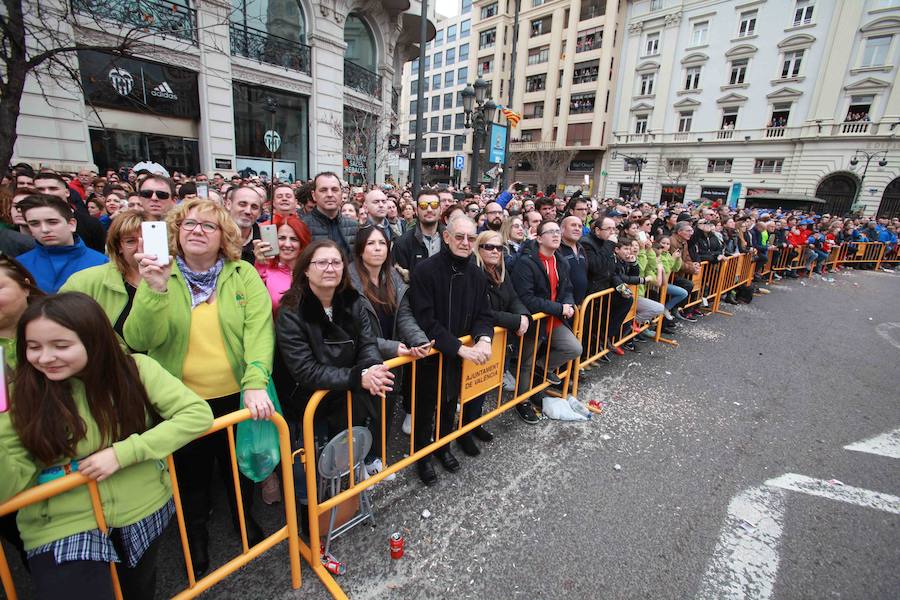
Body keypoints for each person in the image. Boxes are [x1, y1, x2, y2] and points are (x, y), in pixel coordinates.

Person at [0, 292, 213, 600]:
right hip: (61, 523)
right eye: (34, 347)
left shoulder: (136, 369)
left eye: (61, 346)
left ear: (94, 339)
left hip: (142, 505)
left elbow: (197, 414)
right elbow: (8, 486)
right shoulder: (19, 395)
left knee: (138, 589)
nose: (45, 358)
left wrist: (124, 453)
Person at [125, 198, 275, 577]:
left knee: (237, 467)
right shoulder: (161, 273)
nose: (197, 231)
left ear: (224, 236)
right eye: (189, 224)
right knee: (191, 476)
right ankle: (195, 537)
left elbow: (259, 333)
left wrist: (255, 382)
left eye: (208, 226)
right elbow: (139, 338)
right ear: (176, 232)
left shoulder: (243, 274)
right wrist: (154, 290)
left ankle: (244, 519)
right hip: (181, 402)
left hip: (236, 397)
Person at [274, 240, 393, 504]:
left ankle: (343, 503)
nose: (330, 268)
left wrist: (372, 367)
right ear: (306, 269)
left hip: (344, 398)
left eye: (336, 262)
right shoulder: (291, 310)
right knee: (308, 474)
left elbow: (367, 343)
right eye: (321, 262)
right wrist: (358, 377)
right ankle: (309, 517)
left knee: (342, 459)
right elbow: (305, 370)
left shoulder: (353, 301)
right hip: (306, 404)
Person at [409, 215, 494, 486]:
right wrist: (459, 348)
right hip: (431, 355)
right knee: (425, 408)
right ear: (446, 237)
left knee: (449, 404)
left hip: (458, 356)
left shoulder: (477, 274)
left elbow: (484, 314)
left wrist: (484, 339)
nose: (465, 242)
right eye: (459, 237)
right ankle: (422, 456)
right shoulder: (425, 270)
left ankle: (443, 447)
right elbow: (425, 319)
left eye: (471, 238)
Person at [348, 226, 431, 476]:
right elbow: (353, 332)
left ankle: (375, 456)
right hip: (361, 360)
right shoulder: (347, 281)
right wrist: (391, 347)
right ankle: (355, 463)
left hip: (392, 360)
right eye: (371, 244)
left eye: (382, 243)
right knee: (359, 414)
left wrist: (418, 340)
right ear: (360, 249)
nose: (377, 249)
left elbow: (404, 315)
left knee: (384, 411)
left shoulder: (392, 277)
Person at [510, 219, 582, 422]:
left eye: (557, 231)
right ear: (539, 238)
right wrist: (559, 308)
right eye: (550, 232)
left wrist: (567, 303)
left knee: (573, 348)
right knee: (526, 363)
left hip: (554, 319)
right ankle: (522, 401)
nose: (556, 234)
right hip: (535, 321)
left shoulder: (561, 261)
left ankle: (540, 371)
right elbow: (527, 298)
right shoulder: (526, 262)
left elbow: (567, 289)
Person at [469, 231, 529, 448]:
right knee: (471, 388)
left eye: (499, 248)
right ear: (478, 248)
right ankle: (463, 431)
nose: (495, 251)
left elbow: (513, 298)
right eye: (489, 247)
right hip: (476, 339)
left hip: (499, 338)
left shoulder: (499, 271)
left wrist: (523, 316)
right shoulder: (473, 272)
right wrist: (515, 320)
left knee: (485, 385)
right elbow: (482, 311)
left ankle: (474, 423)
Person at [60, 210, 144, 345]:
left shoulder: (176, 279)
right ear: (118, 246)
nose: (141, 247)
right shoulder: (83, 282)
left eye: (149, 239)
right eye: (130, 241)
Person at [17, 194, 108, 293]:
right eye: (34, 224)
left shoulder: (101, 263)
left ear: (72, 224)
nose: (44, 229)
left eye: (52, 222)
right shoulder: (20, 265)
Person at [33, 173, 106, 252]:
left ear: (67, 192)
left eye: (53, 188)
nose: (47, 193)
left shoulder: (91, 223)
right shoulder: (28, 223)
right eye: (40, 189)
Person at [303, 172, 358, 257]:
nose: (330, 194)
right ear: (314, 195)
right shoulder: (302, 226)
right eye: (323, 190)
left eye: (334, 190)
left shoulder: (354, 226)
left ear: (341, 193)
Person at [226, 186, 264, 264]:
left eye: (254, 207)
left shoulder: (264, 242)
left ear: (260, 213)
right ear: (228, 204)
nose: (248, 211)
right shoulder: (213, 237)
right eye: (242, 204)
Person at [558, 215, 588, 306]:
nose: (577, 229)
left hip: (580, 304)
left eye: (580, 226)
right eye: (573, 225)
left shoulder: (581, 249)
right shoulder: (556, 249)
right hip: (564, 305)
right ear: (562, 229)